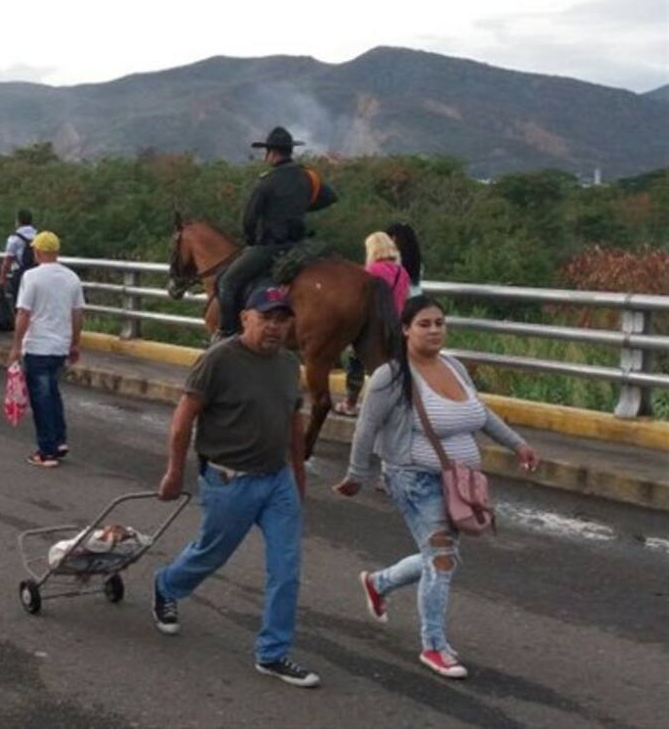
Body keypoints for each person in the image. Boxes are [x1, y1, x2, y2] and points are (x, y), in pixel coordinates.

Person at [334, 295, 540, 680]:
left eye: (439, 323)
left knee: (440, 557)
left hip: (457, 481)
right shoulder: (391, 376)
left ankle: (379, 583)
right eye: (424, 324)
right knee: (442, 558)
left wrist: (517, 444)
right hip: (413, 478)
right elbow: (366, 428)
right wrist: (356, 474)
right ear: (406, 329)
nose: (434, 330)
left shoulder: (454, 366)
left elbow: (480, 413)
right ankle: (433, 646)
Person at [152, 281, 319, 688]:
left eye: (283, 320)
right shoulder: (219, 360)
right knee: (211, 555)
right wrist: (174, 471)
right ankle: (167, 585)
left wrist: (298, 475)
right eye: (266, 318)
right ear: (246, 317)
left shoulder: (287, 364)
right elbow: (183, 419)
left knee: (286, 568)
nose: (275, 328)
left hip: (276, 479)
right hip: (229, 480)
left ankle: (273, 653)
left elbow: (293, 423)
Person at [216, 126, 337, 339]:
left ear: (271, 153)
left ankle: (227, 333)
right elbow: (330, 197)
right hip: (299, 246)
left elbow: (249, 218)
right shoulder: (307, 176)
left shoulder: (267, 181)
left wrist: (252, 241)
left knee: (227, 282)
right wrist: (300, 206)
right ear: (289, 151)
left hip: (269, 247)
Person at [6, 231, 84, 467]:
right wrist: (75, 343)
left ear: (38, 252)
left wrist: (16, 346)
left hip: (38, 344)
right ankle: (60, 440)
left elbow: (23, 313)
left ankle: (46, 450)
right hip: (60, 345)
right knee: (53, 393)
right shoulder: (72, 277)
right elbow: (78, 313)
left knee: (41, 399)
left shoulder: (31, 277)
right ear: (57, 252)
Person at [335, 231, 411, 416]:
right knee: (389, 368)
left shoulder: (371, 271)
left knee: (356, 363)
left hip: (373, 327)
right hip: (396, 326)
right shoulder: (403, 272)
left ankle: (350, 402)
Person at [0, 208, 38, 296]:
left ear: (18, 221)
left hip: (20, 274)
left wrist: (2, 279)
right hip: (36, 273)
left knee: (19, 302)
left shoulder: (14, 238)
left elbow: (7, 261)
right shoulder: (38, 236)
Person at [387, 221, 424, 298]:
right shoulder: (417, 259)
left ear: (395, 238)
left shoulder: (395, 260)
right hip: (416, 295)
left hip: (401, 299)